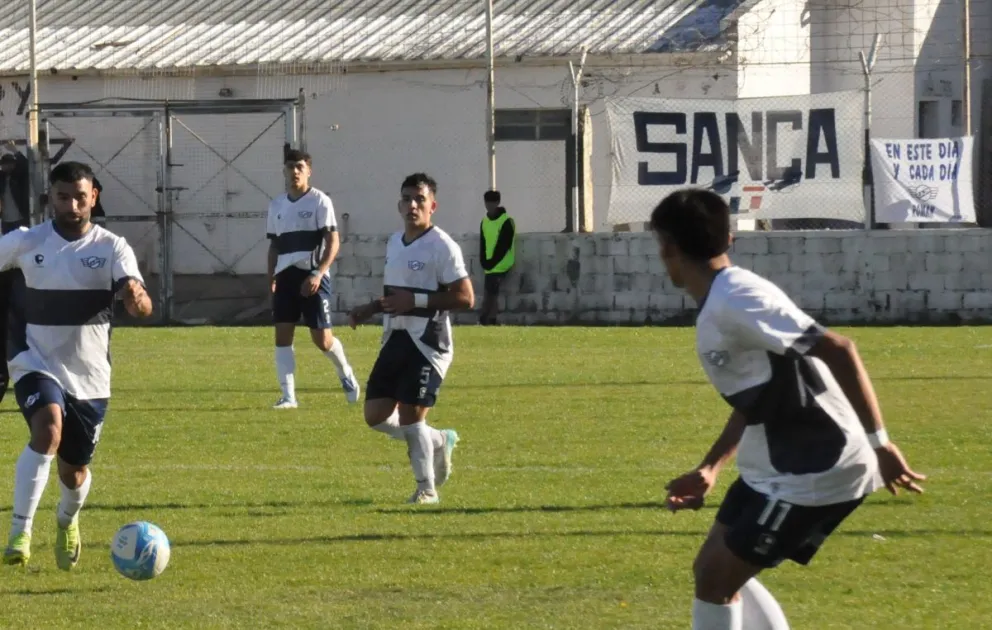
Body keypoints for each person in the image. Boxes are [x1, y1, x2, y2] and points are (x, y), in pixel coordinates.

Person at [652, 188, 927, 630]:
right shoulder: (728, 297)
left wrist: (882, 443)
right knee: (711, 573)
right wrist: (711, 467)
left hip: (813, 469)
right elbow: (759, 395)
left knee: (718, 581)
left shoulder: (737, 298)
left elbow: (840, 348)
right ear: (729, 239)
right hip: (774, 463)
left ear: (667, 247)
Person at [1, 160, 153, 570]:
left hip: (89, 378)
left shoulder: (111, 247)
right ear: (50, 198)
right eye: (63, 196)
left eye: (80, 197)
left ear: (94, 198)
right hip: (34, 360)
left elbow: (140, 301)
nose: (72, 205)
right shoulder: (25, 242)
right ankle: (20, 531)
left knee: (74, 472)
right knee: (47, 428)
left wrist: (136, 298)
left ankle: (67, 520)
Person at [348, 173, 474, 504]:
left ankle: (426, 489)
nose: (413, 205)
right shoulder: (394, 242)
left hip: (428, 343)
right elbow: (396, 295)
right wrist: (371, 308)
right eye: (407, 199)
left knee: (410, 415)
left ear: (433, 205)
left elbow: (465, 297)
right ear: (399, 205)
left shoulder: (442, 246)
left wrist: (416, 302)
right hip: (396, 337)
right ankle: (436, 439)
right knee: (374, 416)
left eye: (420, 199)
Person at [266, 149, 358, 409]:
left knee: (323, 340)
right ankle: (288, 397)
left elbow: (333, 240)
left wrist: (318, 272)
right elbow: (274, 246)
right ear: (283, 171)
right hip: (285, 277)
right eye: (290, 167)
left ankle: (346, 374)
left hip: (312, 276)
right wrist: (271, 277)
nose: (294, 171)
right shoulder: (276, 205)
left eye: (299, 166)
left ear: (308, 171)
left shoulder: (320, 201)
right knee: (282, 335)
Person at [478, 189, 515, 326]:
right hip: (490, 264)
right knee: (490, 290)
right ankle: (488, 319)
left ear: (498, 202)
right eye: (487, 202)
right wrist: (484, 261)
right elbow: (482, 243)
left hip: (502, 262)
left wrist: (491, 262)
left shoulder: (507, 221)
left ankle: (486, 318)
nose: (490, 205)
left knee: (492, 290)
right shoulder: (484, 221)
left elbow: (504, 245)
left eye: (493, 202)